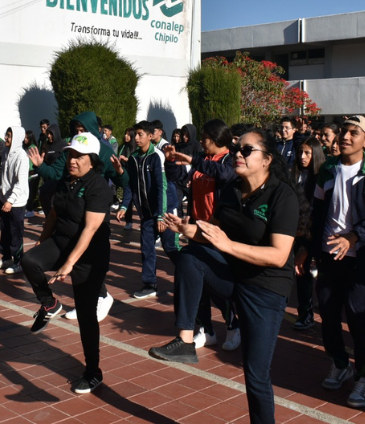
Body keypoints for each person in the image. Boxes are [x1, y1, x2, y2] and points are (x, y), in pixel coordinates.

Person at [149, 128, 304, 424]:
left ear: (267, 159)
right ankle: (185, 340)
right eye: (236, 150)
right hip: (234, 277)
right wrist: (186, 228)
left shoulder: (281, 195)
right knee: (190, 256)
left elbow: (278, 255)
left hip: (266, 289)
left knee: (255, 374)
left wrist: (228, 245)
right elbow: (211, 233)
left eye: (246, 150)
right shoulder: (232, 189)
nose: (238, 155)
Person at [298, 116, 365, 409]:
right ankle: (340, 364)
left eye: (354, 132)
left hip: (360, 258)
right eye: (343, 131)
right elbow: (316, 213)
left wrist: (354, 236)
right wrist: (307, 248)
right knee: (328, 314)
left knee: (358, 318)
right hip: (329, 256)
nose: (345, 137)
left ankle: (364, 377)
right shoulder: (327, 169)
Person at [20, 132, 114, 394]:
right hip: (61, 242)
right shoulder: (66, 181)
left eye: (79, 156)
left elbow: (91, 229)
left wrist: (70, 263)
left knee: (86, 314)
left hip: (90, 256)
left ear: (92, 160)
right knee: (29, 260)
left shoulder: (98, 187)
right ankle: (50, 304)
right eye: (70, 154)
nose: (72, 160)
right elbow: (53, 214)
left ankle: (93, 372)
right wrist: (42, 241)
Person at [165, 119, 242, 351]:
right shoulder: (202, 158)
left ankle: (232, 324)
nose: (201, 141)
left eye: (206, 138)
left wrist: (195, 161)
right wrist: (171, 162)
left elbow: (225, 175)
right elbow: (180, 178)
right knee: (195, 281)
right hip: (196, 228)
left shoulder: (230, 159)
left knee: (217, 283)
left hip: (218, 232)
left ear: (217, 139)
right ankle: (206, 330)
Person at [117, 121, 179, 299]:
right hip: (146, 213)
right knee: (147, 248)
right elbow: (130, 185)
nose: (136, 138)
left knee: (171, 247)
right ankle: (150, 284)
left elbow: (162, 187)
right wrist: (124, 205)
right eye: (135, 134)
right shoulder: (134, 158)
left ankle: (189, 276)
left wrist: (161, 216)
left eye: (140, 134)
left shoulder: (157, 156)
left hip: (166, 211)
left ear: (150, 136)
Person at [291, 136, 326, 331]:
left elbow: (317, 211)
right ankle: (305, 314)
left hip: (314, 233)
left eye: (307, 153)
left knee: (320, 278)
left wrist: (306, 240)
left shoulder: (321, 176)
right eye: (300, 152)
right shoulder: (294, 174)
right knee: (301, 274)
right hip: (296, 232)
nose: (302, 157)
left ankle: (321, 313)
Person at [0, 126, 29, 273]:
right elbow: (3, 175)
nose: (6, 138)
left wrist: (11, 201)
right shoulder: (6, 152)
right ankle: (6, 258)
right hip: (5, 199)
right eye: (6, 135)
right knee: (5, 231)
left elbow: (21, 182)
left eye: (9, 136)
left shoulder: (21, 157)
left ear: (17, 138)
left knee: (16, 233)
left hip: (16, 202)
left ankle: (19, 261)